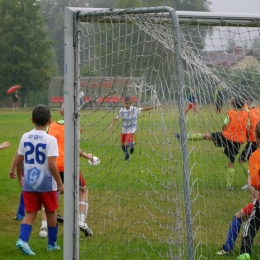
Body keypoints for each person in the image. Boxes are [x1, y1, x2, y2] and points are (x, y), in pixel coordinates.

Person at [15, 104, 64, 255]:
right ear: (50, 120)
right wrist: (60, 184)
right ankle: (52, 244)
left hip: (29, 181)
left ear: (32, 120)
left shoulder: (25, 136)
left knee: (30, 213)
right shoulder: (50, 140)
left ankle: (22, 240)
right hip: (47, 183)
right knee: (51, 212)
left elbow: (19, 160)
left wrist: (20, 178)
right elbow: (51, 164)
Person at [40, 103, 93, 237]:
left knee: (48, 195)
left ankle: (44, 228)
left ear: (60, 112)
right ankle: (81, 220)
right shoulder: (75, 127)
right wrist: (87, 156)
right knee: (83, 190)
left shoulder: (50, 127)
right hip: (69, 166)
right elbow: (74, 148)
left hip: (52, 166)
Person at [175, 96, 248, 191]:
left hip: (225, 137)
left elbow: (224, 125)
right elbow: (245, 107)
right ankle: (229, 186)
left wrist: (225, 131)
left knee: (206, 136)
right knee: (231, 162)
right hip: (237, 141)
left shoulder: (230, 113)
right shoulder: (246, 114)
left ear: (233, 104)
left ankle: (183, 137)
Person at [237, 121, 260, 260]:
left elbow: (254, 183)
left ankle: (245, 253)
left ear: (256, 137)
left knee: (249, 225)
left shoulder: (255, 156)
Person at [109, 96, 157, 160]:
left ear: (130, 102)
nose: (126, 105)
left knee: (126, 144)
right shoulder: (122, 110)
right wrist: (112, 125)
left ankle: (131, 145)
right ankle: (127, 155)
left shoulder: (134, 109)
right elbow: (116, 118)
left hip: (132, 129)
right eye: (125, 103)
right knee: (123, 145)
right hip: (124, 130)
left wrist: (152, 107)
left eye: (127, 103)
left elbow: (143, 109)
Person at [238, 96, 260, 189]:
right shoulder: (257, 109)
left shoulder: (248, 112)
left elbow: (247, 126)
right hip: (257, 138)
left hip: (253, 139)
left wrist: (246, 137)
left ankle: (250, 182)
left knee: (242, 160)